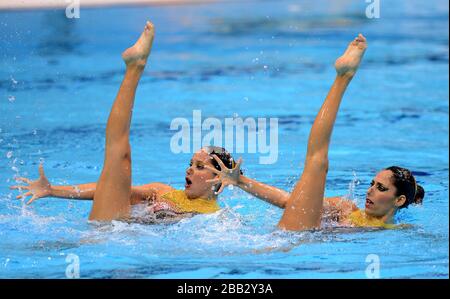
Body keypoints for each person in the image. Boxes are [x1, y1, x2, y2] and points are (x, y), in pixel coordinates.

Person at [10, 22, 424, 230]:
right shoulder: (168, 195)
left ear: (399, 202)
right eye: (191, 163)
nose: (370, 190)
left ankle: (342, 77)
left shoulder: (217, 219)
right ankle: (134, 66)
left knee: (318, 165)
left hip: (295, 242)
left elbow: (285, 208)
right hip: (112, 232)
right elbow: (109, 188)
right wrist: (53, 191)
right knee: (118, 155)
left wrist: (238, 185)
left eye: (381, 187)